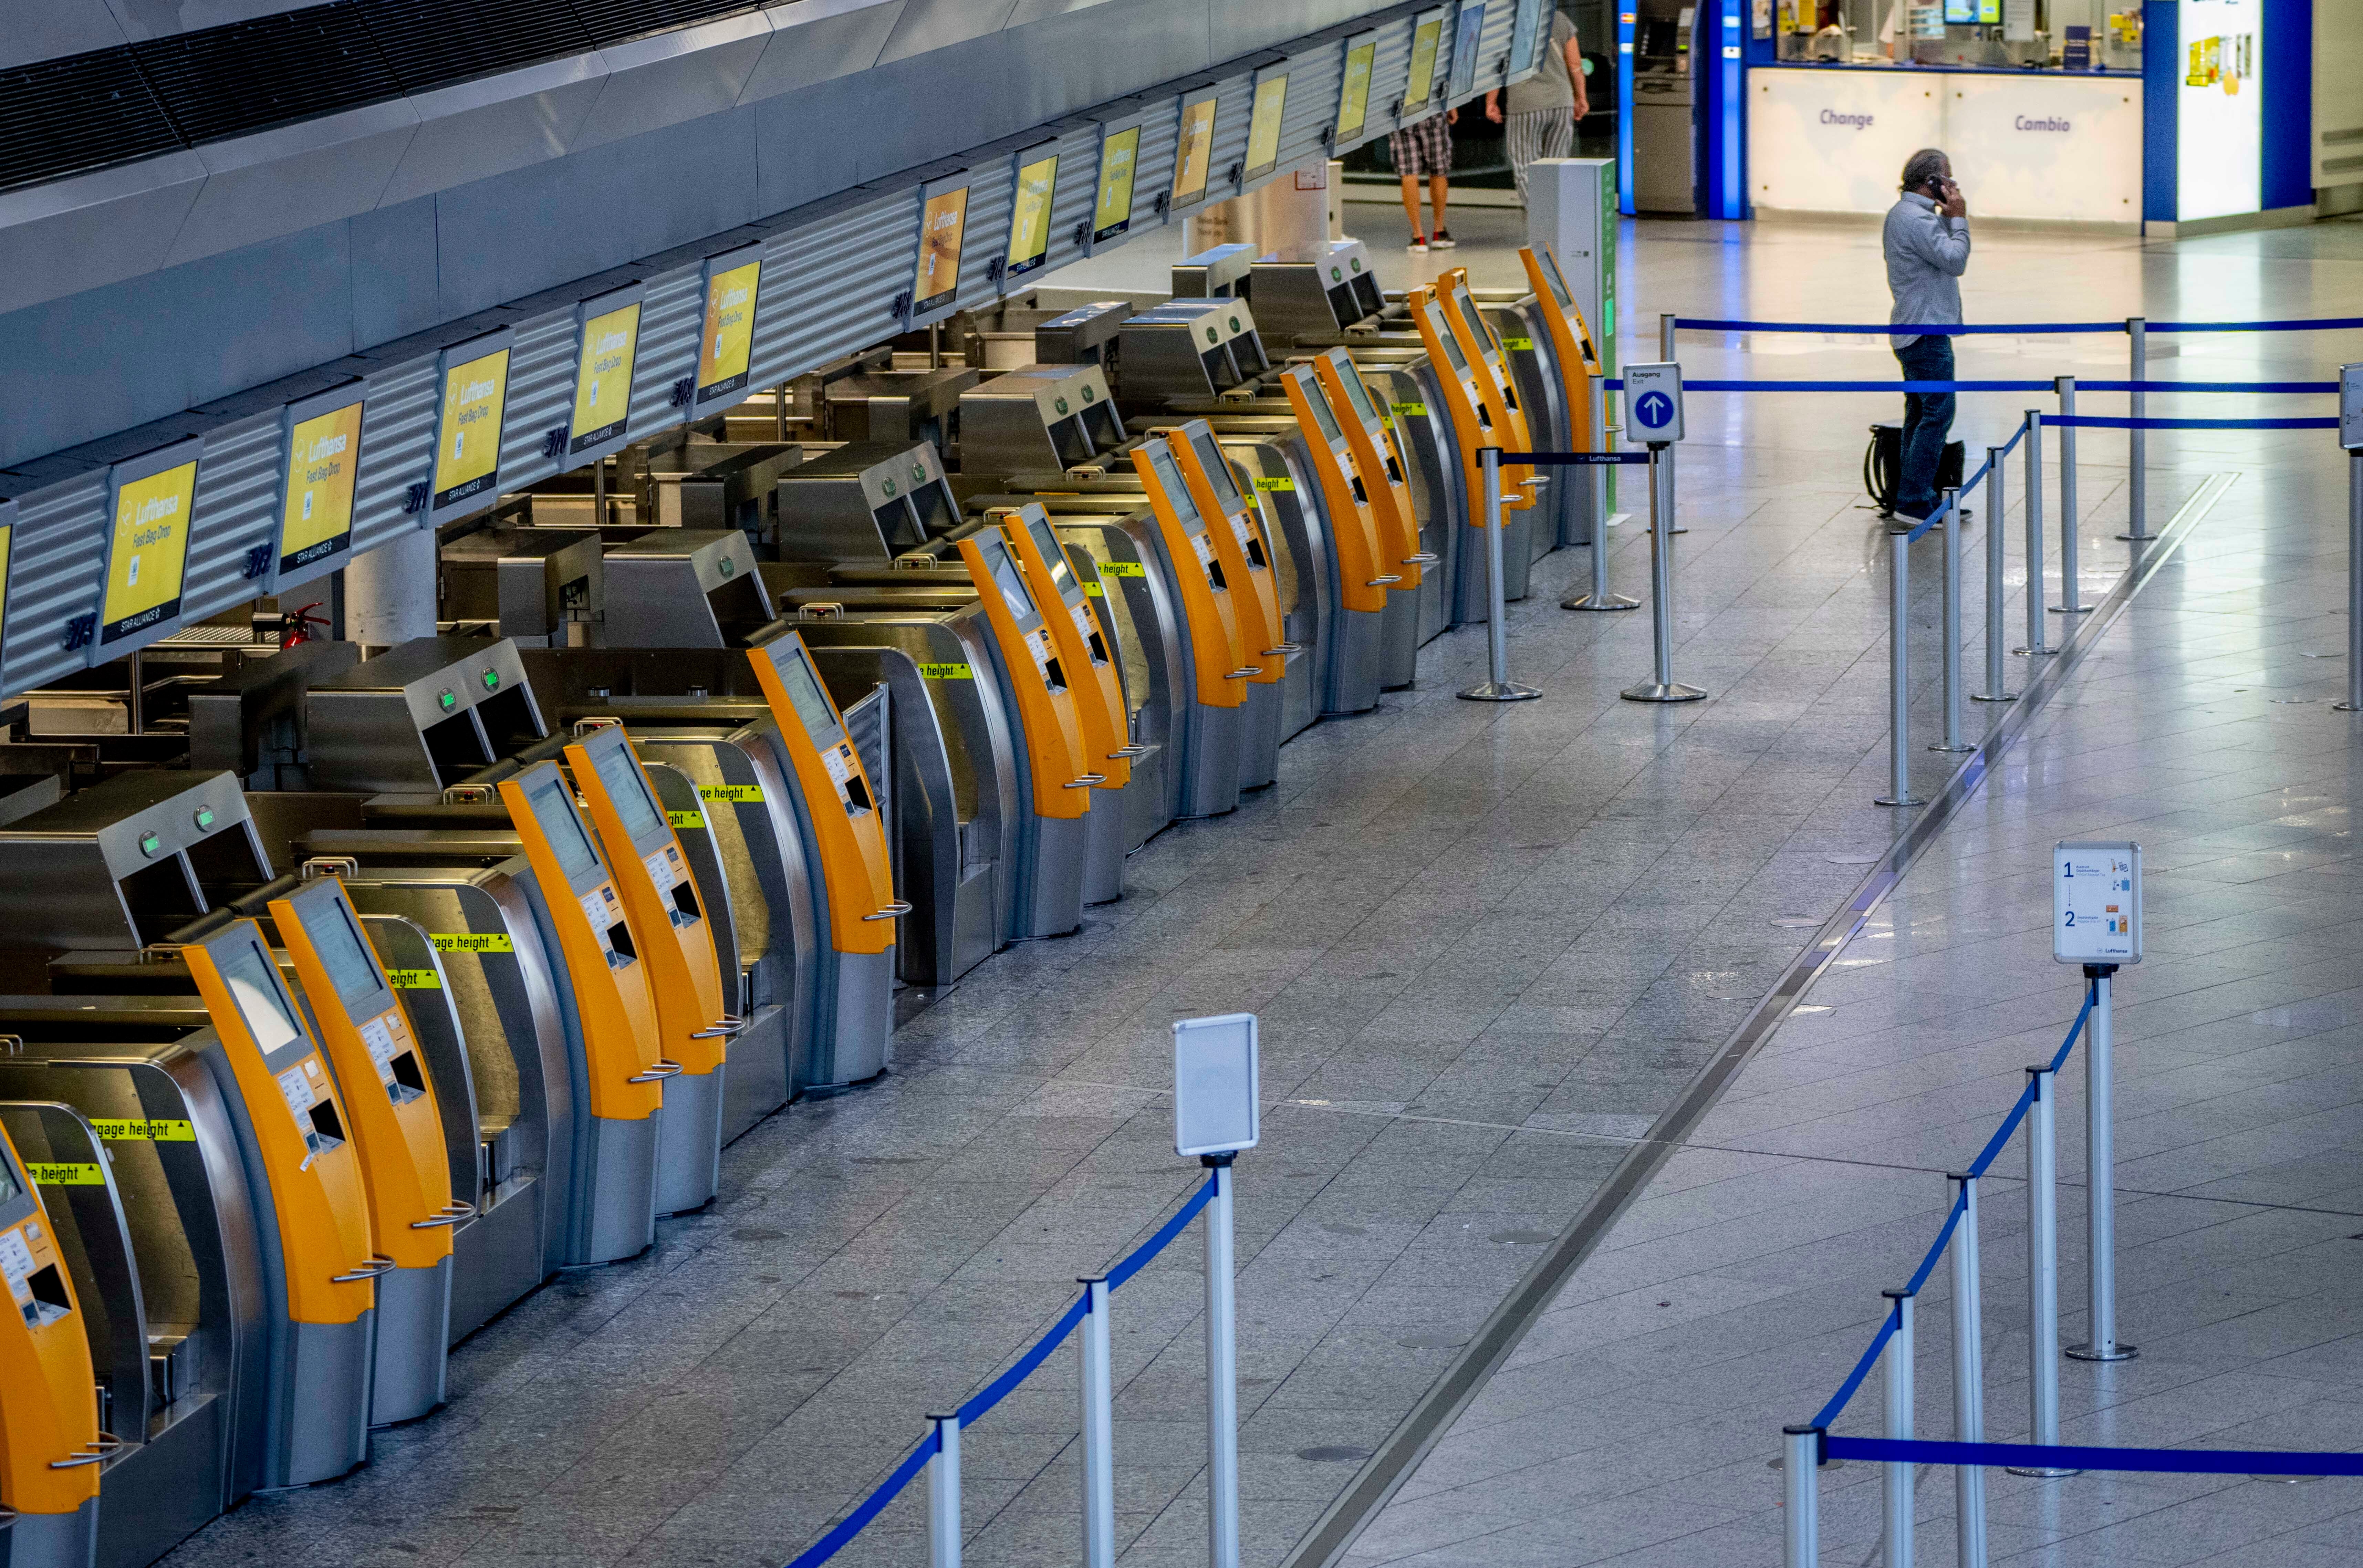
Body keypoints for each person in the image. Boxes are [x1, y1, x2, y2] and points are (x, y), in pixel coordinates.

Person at [1883, 147, 1971, 522]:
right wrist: (1959, 221)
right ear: (1930, 182)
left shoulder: (1907, 215)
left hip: (1916, 328)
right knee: (1936, 414)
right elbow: (1955, 261)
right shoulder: (1916, 220)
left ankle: (1912, 494)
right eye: (1947, 178)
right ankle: (1914, 500)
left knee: (1920, 414)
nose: (1953, 186)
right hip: (1926, 332)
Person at [1486, 7, 1587, 207]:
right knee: (1556, 167)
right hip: (1561, 102)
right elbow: (1575, 65)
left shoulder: (1506, 22)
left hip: (1525, 104)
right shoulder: (1559, 19)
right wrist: (1581, 97)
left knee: (1525, 168)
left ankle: (1543, 224)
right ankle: (1556, 226)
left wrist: (1491, 102)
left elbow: (1497, 68)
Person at [1389, 107, 1458, 254]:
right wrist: (1452, 105)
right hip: (1434, 108)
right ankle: (1439, 232)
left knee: (1409, 172)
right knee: (1438, 170)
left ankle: (1418, 236)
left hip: (1402, 112)